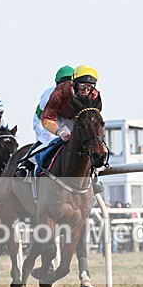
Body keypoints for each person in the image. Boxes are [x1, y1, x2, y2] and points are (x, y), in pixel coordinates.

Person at [34, 65, 104, 193]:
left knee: (88, 141)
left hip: (73, 117)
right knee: (47, 141)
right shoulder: (54, 94)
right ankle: (30, 167)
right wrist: (59, 132)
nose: (86, 89)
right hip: (49, 119)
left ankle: (94, 177)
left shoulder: (94, 94)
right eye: (82, 85)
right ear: (74, 83)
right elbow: (46, 120)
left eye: (89, 86)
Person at [14, 65, 73, 178]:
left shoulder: (78, 94)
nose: (66, 87)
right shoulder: (48, 96)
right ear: (57, 84)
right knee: (48, 140)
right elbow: (47, 120)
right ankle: (25, 163)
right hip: (44, 121)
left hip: (65, 120)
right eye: (63, 83)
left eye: (69, 83)